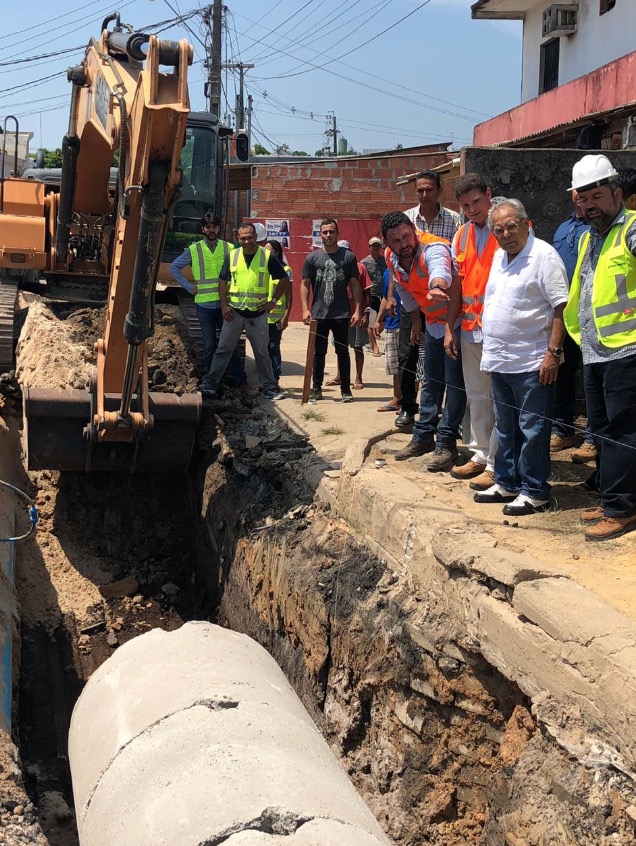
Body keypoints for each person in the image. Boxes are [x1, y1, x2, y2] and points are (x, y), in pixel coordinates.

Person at [475, 199, 569, 516]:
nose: (506, 234)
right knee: (506, 429)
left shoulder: (544, 256)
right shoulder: (499, 257)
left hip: (532, 362)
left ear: (527, 224)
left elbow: (560, 307)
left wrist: (553, 353)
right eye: (498, 230)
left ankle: (535, 491)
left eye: (511, 226)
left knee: (533, 431)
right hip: (501, 361)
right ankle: (507, 482)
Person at [564, 154, 636, 541]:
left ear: (617, 194)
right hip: (594, 351)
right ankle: (611, 499)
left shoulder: (631, 230)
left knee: (624, 431)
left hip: (626, 349)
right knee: (603, 432)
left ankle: (622, 509)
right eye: (583, 198)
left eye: (597, 196)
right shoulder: (590, 236)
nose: (590, 205)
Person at [381, 212, 465, 471]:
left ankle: (447, 443)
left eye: (406, 236)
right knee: (430, 381)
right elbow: (404, 290)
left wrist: (437, 286)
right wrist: (417, 321)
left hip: (457, 322)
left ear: (413, 231)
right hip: (433, 322)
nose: (403, 244)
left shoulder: (433, 247)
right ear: (387, 242)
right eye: (395, 241)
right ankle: (424, 436)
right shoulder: (391, 257)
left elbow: (440, 269)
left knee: (454, 384)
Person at [444, 173, 500, 491]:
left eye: (477, 202)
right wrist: (450, 328)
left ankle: (496, 463)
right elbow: (457, 285)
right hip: (470, 329)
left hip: (499, 330)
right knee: (477, 396)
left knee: (499, 399)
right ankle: (480, 454)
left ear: (488, 194)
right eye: (465, 206)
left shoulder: (506, 227)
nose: (472, 210)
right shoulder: (461, 235)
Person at [393, 172, 461, 430]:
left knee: (447, 360)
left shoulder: (454, 220)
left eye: (429, 189)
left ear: (439, 190)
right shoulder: (405, 220)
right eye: (420, 190)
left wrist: (438, 285)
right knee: (408, 355)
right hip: (414, 300)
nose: (424, 195)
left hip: (443, 298)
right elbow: (396, 267)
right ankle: (408, 408)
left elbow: (449, 261)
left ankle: (448, 418)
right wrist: (413, 317)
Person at [199, 222, 290, 400]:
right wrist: (224, 305)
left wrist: (273, 301)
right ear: (238, 239)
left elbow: (283, 279)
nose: (247, 241)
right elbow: (223, 282)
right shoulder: (232, 256)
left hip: (258, 314)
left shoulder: (267, 256)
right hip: (234, 313)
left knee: (262, 352)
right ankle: (210, 384)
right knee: (223, 349)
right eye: (243, 238)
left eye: (250, 237)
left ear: (255, 237)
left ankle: (269, 386)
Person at [169, 211, 251, 395]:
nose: (211, 230)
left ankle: (240, 382)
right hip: (204, 306)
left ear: (219, 228)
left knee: (229, 345)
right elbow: (174, 267)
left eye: (214, 226)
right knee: (209, 346)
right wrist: (189, 287)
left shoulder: (229, 248)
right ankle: (211, 383)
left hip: (225, 306)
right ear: (203, 229)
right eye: (208, 227)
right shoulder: (195, 249)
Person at [550, 191, 595, 457]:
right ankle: (562, 429)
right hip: (565, 314)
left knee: (592, 377)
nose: (579, 196)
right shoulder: (563, 227)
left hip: (592, 314)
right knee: (563, 373)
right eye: (575, 190)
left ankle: (592, 436)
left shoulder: (599, 227)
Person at [300, 219, 363, 403]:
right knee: (318, 353)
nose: (328, 235)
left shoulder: (348, 257)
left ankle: (345, 390)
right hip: (319, 313)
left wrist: (358, 310)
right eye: (325, 232)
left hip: (341, 313)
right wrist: (304, 309)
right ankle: (316, 388)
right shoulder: (312, 258)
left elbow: (355, 284)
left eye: (331, 231)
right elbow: (305, 284)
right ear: (320, 234)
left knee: (342, 352)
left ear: (338, 233)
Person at [265, 238, 293, 389]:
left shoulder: (286, 270)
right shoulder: (262, 269)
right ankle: (266, 379)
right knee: (263, 349)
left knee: (273, 347)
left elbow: (289, 295)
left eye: (270, 251)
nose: (266, 254)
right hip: (261, 316)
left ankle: (275, 379)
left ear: (277, 253)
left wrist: (286, 316)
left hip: (276, 317)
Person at [374, 267, 403, 412]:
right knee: (394, 365)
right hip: (392, 324)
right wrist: (379, 320)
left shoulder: (411, 267)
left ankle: (409, 401)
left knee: (410, 365)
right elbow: (385, 297)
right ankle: (397, 398)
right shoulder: (387, 272)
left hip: (408, 324)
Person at [361, 237, 386, 357]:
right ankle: (374, 346)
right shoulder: (364, 262)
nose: (376, 247)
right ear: (369, 247)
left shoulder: (385, 261)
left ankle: (372, 340)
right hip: (371, 295)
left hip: (383, 295)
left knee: (382, 322)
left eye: (378, 245)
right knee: (371, 322)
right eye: (373, 245)